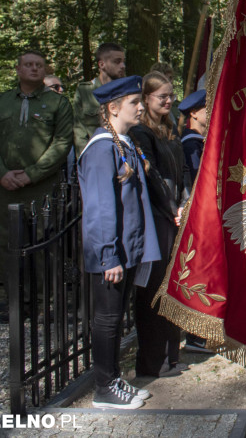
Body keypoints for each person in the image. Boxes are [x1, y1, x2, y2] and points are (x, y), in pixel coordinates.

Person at [79, 75, 160, 409]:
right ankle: (104, 387)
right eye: (134, 103)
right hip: (111, 253)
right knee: (107, 319)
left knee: (116, 317)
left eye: (140, 101)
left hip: (125, 249)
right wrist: (108, 254)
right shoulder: (101, 148)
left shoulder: (123, 143)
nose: (141, 108)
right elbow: (99, 208)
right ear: (112, 108)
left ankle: (113, 379)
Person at [0, 49, 74, 323]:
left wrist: (31, 174)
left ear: (44, 71)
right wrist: (1, 174)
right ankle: (17, 304)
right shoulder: (0, 103)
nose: (34, 69)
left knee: (45, 245)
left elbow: (61, 143)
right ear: (18, 69)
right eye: (28, 65)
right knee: (9, 247)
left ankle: (48, 304)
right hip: (5, 187)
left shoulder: (58, 104)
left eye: (39, 66)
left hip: (42, 188)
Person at [130, 72, 186, 377]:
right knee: (153, 287)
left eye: (170, 95)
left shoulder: (170, 128)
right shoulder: (141, 132)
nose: (168, 100)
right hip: (156, 217)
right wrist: (171, 207)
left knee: (173, 284)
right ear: (146, 98)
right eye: (161, 96)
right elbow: (152, 177)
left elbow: (184, 169)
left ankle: (171, 354)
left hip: (175, 212)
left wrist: (186, 201)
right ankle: (153, 360)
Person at [177, 88, 213, 355]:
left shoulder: (199, 141)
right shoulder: (191, 144)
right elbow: (195, 181)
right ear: (194, 113)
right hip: (196, 216)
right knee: (195, 273)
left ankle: (200, 332)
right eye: (207, 107)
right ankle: (194, 335)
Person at [73, 43, 126, 155]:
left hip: (123, 155)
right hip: (95, 155)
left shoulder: (127, 92)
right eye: (117, 62)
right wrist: (86, 159)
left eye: (123, 61)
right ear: (102, 64)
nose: (123, 66)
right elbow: (79, 131)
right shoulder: (85, 92)